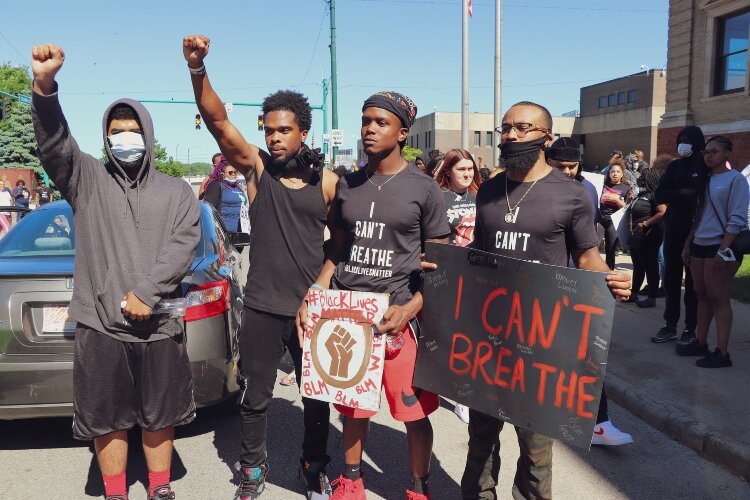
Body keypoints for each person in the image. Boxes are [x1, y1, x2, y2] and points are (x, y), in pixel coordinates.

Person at [31, 43, 201, 500]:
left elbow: (185, 243)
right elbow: (53, 143)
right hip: (101, 326)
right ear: (105, 138)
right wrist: (45, 88)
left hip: (161, 324)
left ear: (147, 133)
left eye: (132, 130)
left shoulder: (177, 192)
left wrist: (146, 292)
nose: (125, 138)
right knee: (107, 418)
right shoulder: (86, 178)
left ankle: (160, 488)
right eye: (116, 131)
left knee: (159, 415)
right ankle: (115, 492)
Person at [183, 34, 339, 500]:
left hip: (311, 310)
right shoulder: (257, 169)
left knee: (317, 399)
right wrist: (197, 69)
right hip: (264, 306)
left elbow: (347, 242)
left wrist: (323, 285)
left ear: (303, 133)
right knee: (255, 398)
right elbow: (217, 120)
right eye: (269, 130)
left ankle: (313, 470)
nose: (273, 137)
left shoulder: (329, 183)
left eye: (283, 130)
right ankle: (251, 472)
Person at [460, 101, 631, 500]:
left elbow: (586, 255)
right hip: (487, 338)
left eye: (523, 128)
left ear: (546, 138)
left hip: (539, 342)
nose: (511, 136)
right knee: (480, 442)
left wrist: (611, 278)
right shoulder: (487, 190)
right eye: (506, 128)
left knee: (536, 451)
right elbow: (478, 254)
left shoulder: (571, 195)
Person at [297, 91, 450, 500]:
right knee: (352, 409)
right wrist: (318, 286)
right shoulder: (349, 185)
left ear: (402, 132)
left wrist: (412, 306)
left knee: (413, 413)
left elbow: (443, 263)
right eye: (365, 120)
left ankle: (419, 487)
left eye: (380, 122)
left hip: (400, 320)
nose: (369, 128)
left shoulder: (424, 189)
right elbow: (339, 249)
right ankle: (351, 480)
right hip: (351, 314)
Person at [546, 137, 632, 447]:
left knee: (587, 352)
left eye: (573, 166)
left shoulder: (589, 189)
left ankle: (599, 422)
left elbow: (589, 244)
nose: (567, 172)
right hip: (539, 283)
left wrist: (608, 276)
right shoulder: (534, 190)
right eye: (560, 166)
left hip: (578, 281)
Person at [677, 136, 749, 367]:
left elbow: (737, 218)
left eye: (714, 152)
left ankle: (722, 352)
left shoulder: (735, 180)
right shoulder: (705, 179)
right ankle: (700, 342)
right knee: (702, 294)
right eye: (706, 152)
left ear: (727, 154)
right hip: (699, 242)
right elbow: (698, 215)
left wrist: (723, 250)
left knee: (719, 298)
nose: (708, 156)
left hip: (720, 245)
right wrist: (689, 242)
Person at [434, 148, 482, 424]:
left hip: (478, 278)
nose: (466, 174)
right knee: (453, 337)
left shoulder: (480, 196)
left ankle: (465, 395)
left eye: (470, 169)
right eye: (460, 169)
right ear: (448, 171)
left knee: (472, 337)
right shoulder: (439, 198)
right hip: (449, 278)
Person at [652, 126, 706, 344]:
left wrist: (683, 196)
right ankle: (670, 325)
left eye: (687, 140)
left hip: (695, 231)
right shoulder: (674, 167)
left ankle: (690, 328)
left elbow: (702, 196)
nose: (683, 143)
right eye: (680, 139)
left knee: (692, 284)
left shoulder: (704, 167)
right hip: (673, 228)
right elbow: (660, 194)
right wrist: (681, 193)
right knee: (672, 280)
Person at [626, 167, 667, 309]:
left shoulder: (656, 195)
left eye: (641, 176)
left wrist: (645, 223)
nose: (638, 178)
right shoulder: (641, 193)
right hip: (637, 234)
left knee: (650, 265)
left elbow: (662, 212)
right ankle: (634, 294)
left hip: (650, 234)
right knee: (638, 265)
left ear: (647, 178)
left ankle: (651, 298)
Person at [202, 159, 250, 242]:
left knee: (237, 254)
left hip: (240, 231)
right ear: (222, 174)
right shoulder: (216, 185)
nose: (234, 174)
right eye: (230, 172)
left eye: (236, 172)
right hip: (224, 232)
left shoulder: (238, 187)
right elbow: (209, 209)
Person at [599, 163, 631, 269]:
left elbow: (628, 207)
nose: (615, 174)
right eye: (612, 171)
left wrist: (616, 199)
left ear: (622, 174)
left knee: (610, 249)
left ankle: (609, 271)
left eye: (618, 171)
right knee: (593, 247)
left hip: (613, 220)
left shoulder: (626, 188)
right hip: (599, 218)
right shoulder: (602, 184)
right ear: (609, 173)